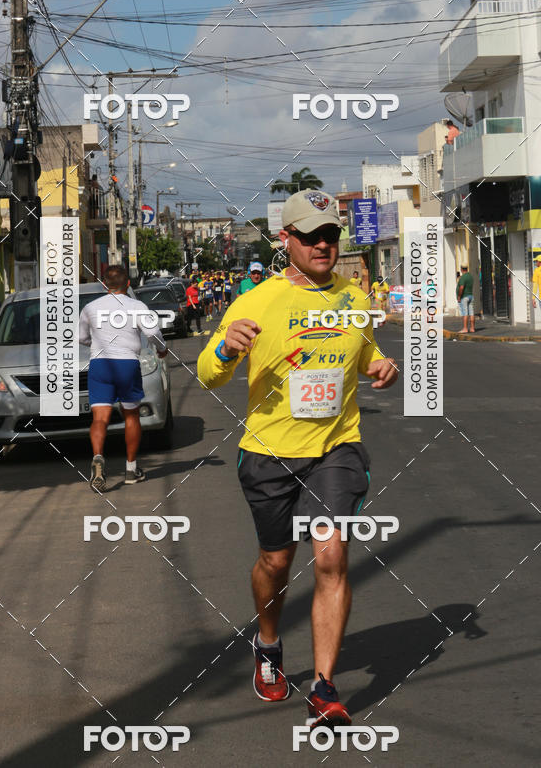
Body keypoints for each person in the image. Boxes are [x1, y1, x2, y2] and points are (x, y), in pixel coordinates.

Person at [197, 188, 398, 728]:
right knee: (276, 562)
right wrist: (223, 347)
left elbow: (363, 352)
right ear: (286, 239)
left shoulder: (355, 299)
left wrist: (380, 365)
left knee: (330, 555)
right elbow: (208, 373)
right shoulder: (255, 301)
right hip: (268, 452)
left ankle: (325, 687)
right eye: (310, 236)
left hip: (336, 447)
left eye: (331, 235)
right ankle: (267, 642)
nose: (323, 245)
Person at [78, 265, 168, 491]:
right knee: (131, 415)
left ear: (104, 285)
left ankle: (98, 457)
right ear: (128, 283)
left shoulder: (90, 308)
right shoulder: (136, 306)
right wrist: (162, 348)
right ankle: (130, 469)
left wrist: (97, 344)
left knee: (99, 418)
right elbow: (152, 333)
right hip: (127, 364)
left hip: (100, 365)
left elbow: (81, 337)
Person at [456, 264, 475, 333]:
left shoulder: (463, 277)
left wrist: (459, 296)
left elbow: (461, 287)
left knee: (465, 313)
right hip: (471, 296)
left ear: (461, 269)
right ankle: (472, 328)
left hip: (464, 297)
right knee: (472, 313)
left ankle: (465, 328)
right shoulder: (470, 276)